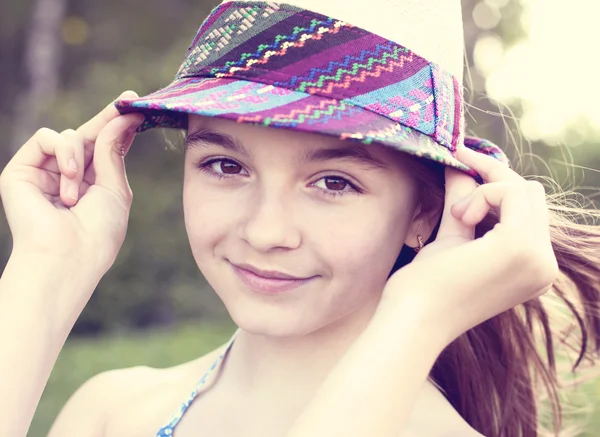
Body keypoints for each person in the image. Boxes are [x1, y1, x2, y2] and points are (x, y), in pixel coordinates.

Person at [0, 0, 598, 436]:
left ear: (426, 212)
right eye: (225, 166)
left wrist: (421, 314)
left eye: (334, 182)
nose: (265, 231)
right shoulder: (111, 412)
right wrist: (45, 274)